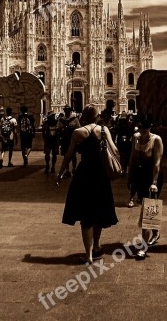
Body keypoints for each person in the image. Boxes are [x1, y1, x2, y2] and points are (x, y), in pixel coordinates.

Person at [57, 104, 118, 265]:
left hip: (84, 174)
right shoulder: (104, 131)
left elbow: (69, 154)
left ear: (83, 115)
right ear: (97, 116)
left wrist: (61, 172)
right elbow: (115, 150)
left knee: (86, 216)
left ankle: (89, 254)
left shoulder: (78, 132)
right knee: (98, 212)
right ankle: (97, 245)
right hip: (101, 175)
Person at [127, 113, 164, 259]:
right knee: (147, 206)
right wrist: (129, 177)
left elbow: (157, 163)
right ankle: (155, 232)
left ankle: (143, 246)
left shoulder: (156, 140)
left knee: (147, 210)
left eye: (145, 128)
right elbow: (132, 157)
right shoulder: (135, 137)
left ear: (150, 127)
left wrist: (154, 182)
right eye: (140, 127)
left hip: (153, 177)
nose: (142, 130)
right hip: (139, 176)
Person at [58, 106, 80, 177]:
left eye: (68, 111)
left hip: (72, 139)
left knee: (73, 155)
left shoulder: (75, 119)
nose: (67, 112)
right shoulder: (61, 120)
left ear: (70, 112)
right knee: (66, 155)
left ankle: (74, 168)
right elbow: (58, 129)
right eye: (66, 111)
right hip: (64, 140)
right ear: (64, 111)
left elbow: (79, 128)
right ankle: (67, 170)